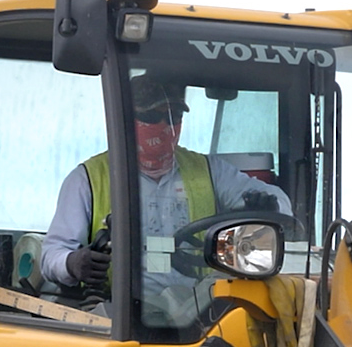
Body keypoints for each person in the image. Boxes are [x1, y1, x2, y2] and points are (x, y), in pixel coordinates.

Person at [40, 74, 288, 320]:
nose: (165, 126)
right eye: (151, 117)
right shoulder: (88, 179)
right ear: (125, 119)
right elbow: (52, 254)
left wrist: (269, 206)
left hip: (199, 313)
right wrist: (72, 263)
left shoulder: (209, 171)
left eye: (174, 117)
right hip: (118, 313)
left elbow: (281, 204)